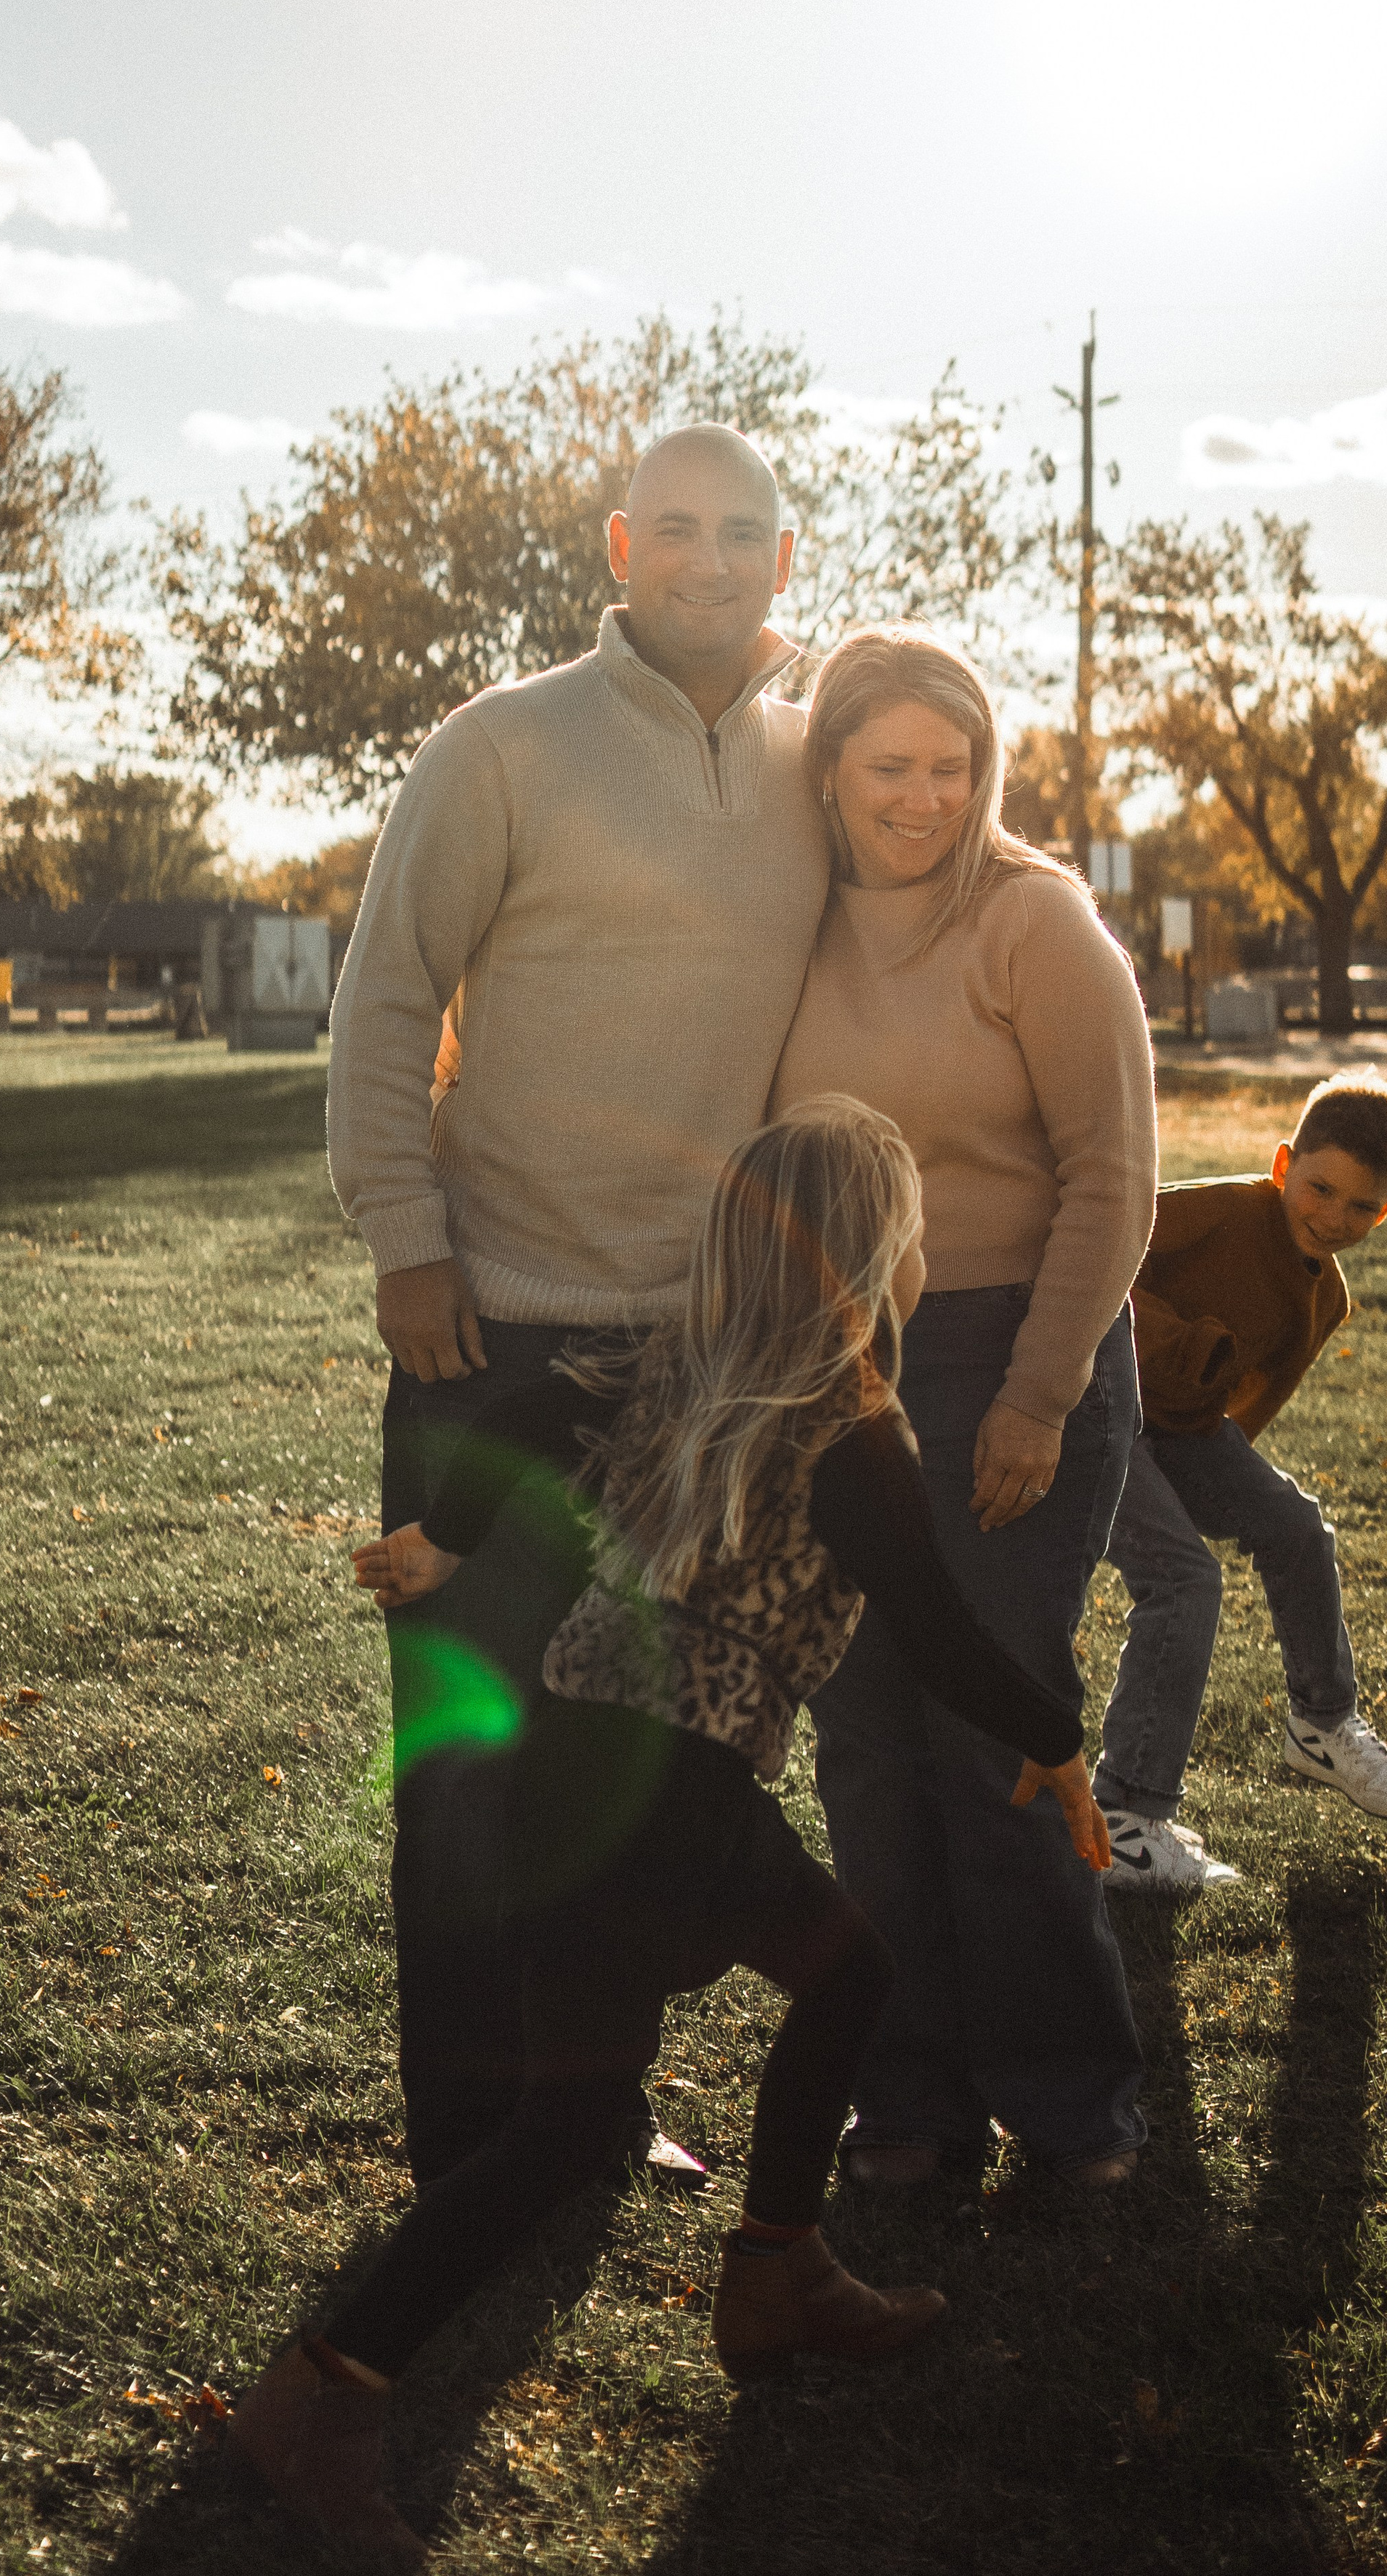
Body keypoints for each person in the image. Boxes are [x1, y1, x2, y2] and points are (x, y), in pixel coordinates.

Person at [230, 1102, 1109, 2564]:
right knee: (573, 2123)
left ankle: (777, 2270)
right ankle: (322, 2394)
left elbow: (515, 1415)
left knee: (846, 1978)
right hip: (665, 1794)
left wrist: (446, 1538)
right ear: (873, 1254)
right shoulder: (850, 1432)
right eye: (909, 1228)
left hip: (595, 1756)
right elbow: (943, 1635)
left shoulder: (674, 1364)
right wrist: (1061, 1746)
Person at [325, 424, 830, 2198]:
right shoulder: (500, 744)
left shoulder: (810, 768)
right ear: (619, 544)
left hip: (698, 1361)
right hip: (492, 1335)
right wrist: (405, 1237)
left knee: (614, 1764)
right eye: (674, 526)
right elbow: (386, 999)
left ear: (785, 551)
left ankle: (587, 2105)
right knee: (470, 1756)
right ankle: (471, 2143)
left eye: (742, 529)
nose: (707, 556)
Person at [769, 625, 1158, 2187]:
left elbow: (1114, 1180)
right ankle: (911, 2103)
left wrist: (1037, 1396)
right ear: (831, 771)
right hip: (839, 1368)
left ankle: (1071, 2106)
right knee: (862, 1746)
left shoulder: (1038, 925)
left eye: (950, 766)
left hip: (1014, 1355)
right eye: (888, 767)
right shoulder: (787, 924)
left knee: (987, 1738)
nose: (921, 798)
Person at [1094, 1069, 1387, 1891]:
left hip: (1179, 1434)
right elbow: (1094, 1252)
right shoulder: (1226, 1207)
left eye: (1361, 1206)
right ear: (1284, 1166)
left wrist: (1212, 1486)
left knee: (1295, 1525)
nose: (1334, 1217)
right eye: (1319, 1188)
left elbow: (1245, 1414)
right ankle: (1127, 1820)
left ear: (1386, 1208)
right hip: (1087, 1405)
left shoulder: (1325, 1302)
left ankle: (1322, 1723)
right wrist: (1170, 1344)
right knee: (1184, 1579)